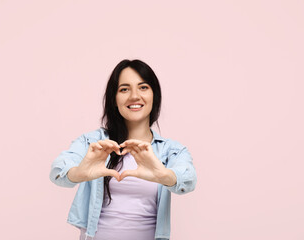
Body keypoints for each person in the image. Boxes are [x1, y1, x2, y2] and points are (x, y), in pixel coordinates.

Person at [49, 59, 197, 240]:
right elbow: (58, 171)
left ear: (154, 96)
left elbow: (188, 180)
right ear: (114, 100)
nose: (134, 96)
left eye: (143, 87)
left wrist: (163, 175)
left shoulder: (172, 151)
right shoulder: (94, 143)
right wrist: (79, 173)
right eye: (124, 89)